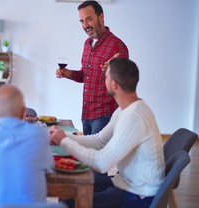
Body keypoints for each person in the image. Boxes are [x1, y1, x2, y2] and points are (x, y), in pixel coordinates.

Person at [50, 58, 165, 208]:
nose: (104, 80)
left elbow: (101, 163)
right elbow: (99, 140)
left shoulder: (134, 116)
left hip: (139, 195)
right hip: (125, 183)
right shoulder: (125, 109)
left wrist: (64, 142)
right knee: (72, 186)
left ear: (114, 84)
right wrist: (65, 136)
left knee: (70, 203)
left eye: (106, 76)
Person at [56, 0, 129, 135]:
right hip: (87, 113)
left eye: (89, 19)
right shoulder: (87, 44)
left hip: (105, 115)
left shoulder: (117, 46)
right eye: (82, 21)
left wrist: (111, 72)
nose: (85, 25)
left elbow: (125, 83)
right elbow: (86, 75)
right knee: (87, 155)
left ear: (101, 17)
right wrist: (69, 74)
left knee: (98, 155)